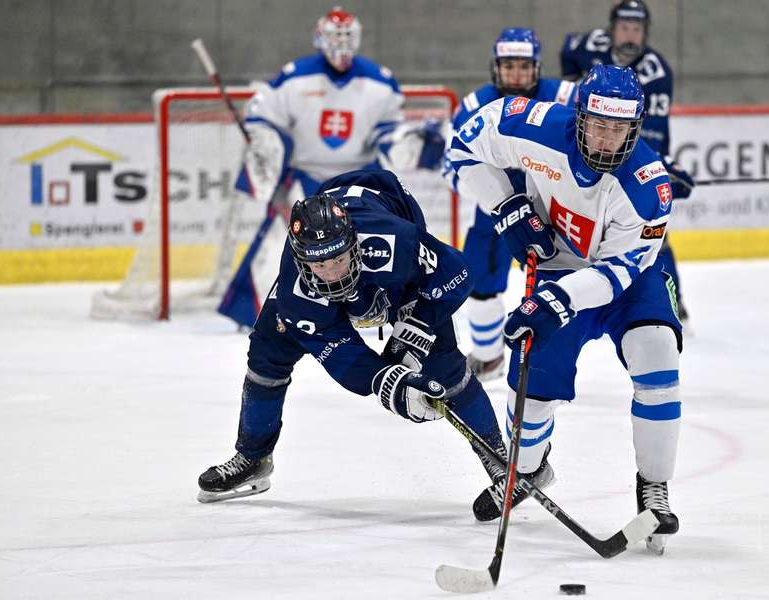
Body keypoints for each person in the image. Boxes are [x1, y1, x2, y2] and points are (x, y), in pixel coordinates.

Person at [449, 63, 683, 553]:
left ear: (634, 128)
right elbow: (461, 150)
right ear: (578, 116)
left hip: (624, 280)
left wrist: (559, 299)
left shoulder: (648, 185)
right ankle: (530, 470)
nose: (607, 140)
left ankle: (654, 489)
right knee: (530, 397)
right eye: (599, 125)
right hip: (556, 270)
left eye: (620, 129)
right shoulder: (531, 124)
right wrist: (507, 206)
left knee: (657, 350)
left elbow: (618, 274)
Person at [198, 169, 505, 507]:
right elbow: (339, 351)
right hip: (333, 253)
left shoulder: (393, 241)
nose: (333, 274)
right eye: (320, 266)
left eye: (339, 259)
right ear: (301, 260)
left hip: (388, 207)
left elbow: (458, 273)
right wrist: (387, 382)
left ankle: (501, 462)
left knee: (443, 364)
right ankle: (253, 458)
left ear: (353, 244)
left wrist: (419, 324)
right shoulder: (295, 295)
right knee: (268, 349)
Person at [219, 7, 443, 329]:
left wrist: (412, 143)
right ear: (320, 38)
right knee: (281, 244)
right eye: (334, 39)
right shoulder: (295, 76)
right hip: (305, 175)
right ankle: (260, 313)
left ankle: (384, 306)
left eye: (346, 39)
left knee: (375, 242)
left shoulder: (380, 82)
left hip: (357, 179)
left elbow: (389, 134)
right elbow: (263, 116)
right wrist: (264, 143)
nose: (340, 49)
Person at [444, 28, 576, 382]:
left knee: (555, 286)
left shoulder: (565, 95)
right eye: (508, 66)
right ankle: (488, 358)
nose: (516, 74)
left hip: (554, 208)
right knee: (479, 283)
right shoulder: (473, 106)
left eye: (523, 66)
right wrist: (495, 199)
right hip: (494, 211)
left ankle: (548, 362)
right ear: (495, 67)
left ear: (536, 67)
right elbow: (453, 165)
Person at [560, 0, 695, 323]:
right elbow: (568, 51)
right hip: (586, 147)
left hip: (629, 156)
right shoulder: (589, 45)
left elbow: (653, 135)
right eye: (624, 28)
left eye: (637, 29)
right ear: (612, 29)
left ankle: (670, 300)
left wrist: (659, 168)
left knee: (655, 234)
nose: (630, 35)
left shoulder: (657, 73)